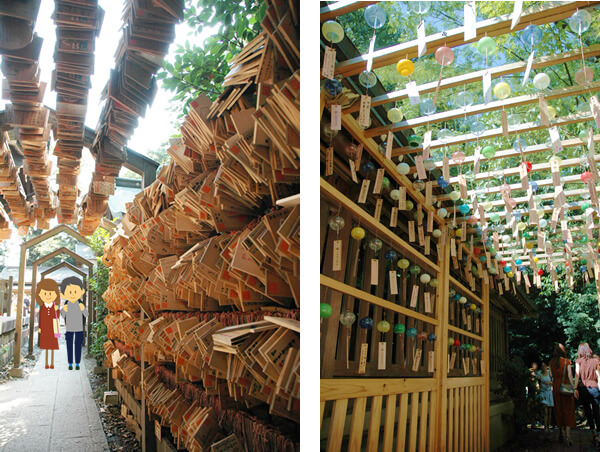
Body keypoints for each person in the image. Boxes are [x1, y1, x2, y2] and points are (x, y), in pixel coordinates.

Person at [550, 343, 576, 445]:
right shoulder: (566, 362)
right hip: (565, 387)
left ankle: (560, 431)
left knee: (559, 409)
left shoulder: (551, 362)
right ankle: (568, 436)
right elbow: (570, 375)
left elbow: (551, 375)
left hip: (556, 387)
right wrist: (574, 387)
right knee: (568, 410)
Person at [574, 342, 600, 445]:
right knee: (597, 411)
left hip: (583, 388)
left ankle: (593, 434)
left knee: (588, 412)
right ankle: (599, 434)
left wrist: (575, 388)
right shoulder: (595, 361)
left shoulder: (578, 361)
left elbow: (577, 376)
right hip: (594, 388)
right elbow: (598, 376)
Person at [60, 277, 88, 371]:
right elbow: (63, 315)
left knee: (77, 346)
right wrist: (64, 310)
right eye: (69, 292)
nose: (72, 294)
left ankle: (77, 363)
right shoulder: (66, 303)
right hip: (69, 328)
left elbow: (86, 314)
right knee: (69, 346)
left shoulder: (80, 303)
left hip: (79, 328)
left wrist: (83, 308)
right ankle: (70, 363)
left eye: (75, 292)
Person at [35, 279, 60, 369]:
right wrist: (40, 327)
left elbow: (57, 317)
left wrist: (57, 310)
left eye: (50, 293)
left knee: (52, 346)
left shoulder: (54, 306)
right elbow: (41, 318)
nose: (48, 296)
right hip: (45, 328)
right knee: (46, 346)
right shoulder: (43, 307)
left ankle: (52, 363)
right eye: (45, 294)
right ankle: (46, 363)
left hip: (53, 328)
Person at [538, 361, 554, 432]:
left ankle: (548, 426)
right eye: (542, 366)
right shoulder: (539, 374)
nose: (543, 367)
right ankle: (545, 427)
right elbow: (536, 380)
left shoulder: (549, 374)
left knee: (550, 411)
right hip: (543, 393)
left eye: (544, 366)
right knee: (545, 411)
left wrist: (550, 383)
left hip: (549, 392)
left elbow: (554, 382)